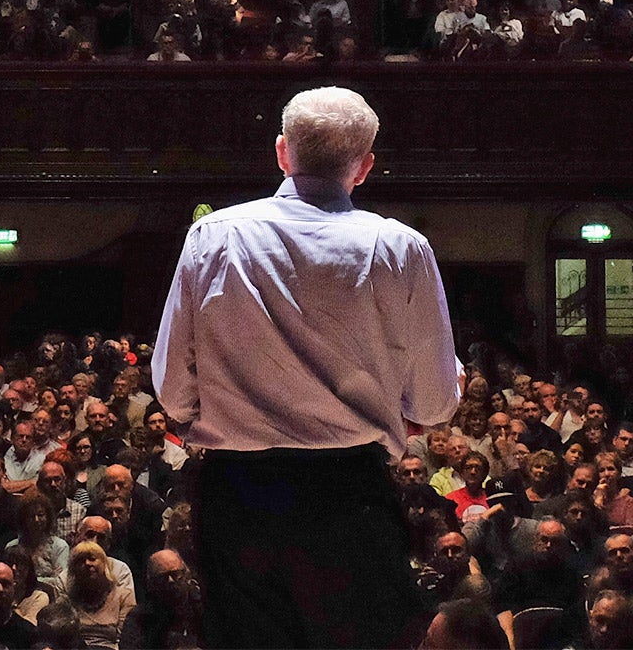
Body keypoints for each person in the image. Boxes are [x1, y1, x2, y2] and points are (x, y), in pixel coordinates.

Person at [155, 86, 461, 649]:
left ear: (281, 152)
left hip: (238, 491)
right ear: (365, 167)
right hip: (349, 492)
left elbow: (173, 389)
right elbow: (437, 403)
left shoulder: (214, 235)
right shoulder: (402, 247)